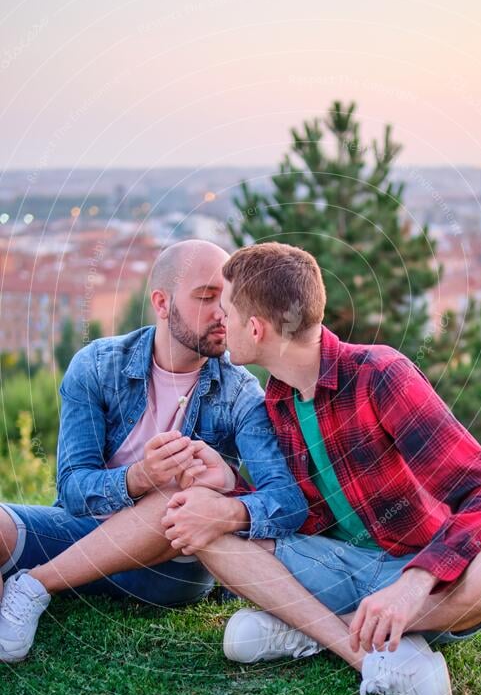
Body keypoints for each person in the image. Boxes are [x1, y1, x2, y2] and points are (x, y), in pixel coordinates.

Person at [160, 242, 481, 695]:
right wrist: (227, 485)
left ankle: (310, 629)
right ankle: (360, 650)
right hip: (337, 565)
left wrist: (412, 586)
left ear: (255, 328)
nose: (221, 320)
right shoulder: (276, 401)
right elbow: (298, 509)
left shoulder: (380, 375)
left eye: (228, 311)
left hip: (420, 576)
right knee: (206, 530)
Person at [0, 240, 306, 661]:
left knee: (180, 498)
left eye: (228, 300)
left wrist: (226, 488)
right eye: (205, 297)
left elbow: (287, 501)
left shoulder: (240, 393)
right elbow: (71, 489)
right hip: (79, 539)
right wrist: (138, 476)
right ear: (162, 304)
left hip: (169, 569)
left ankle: (34, 584)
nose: (222, 312)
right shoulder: (96, 366)